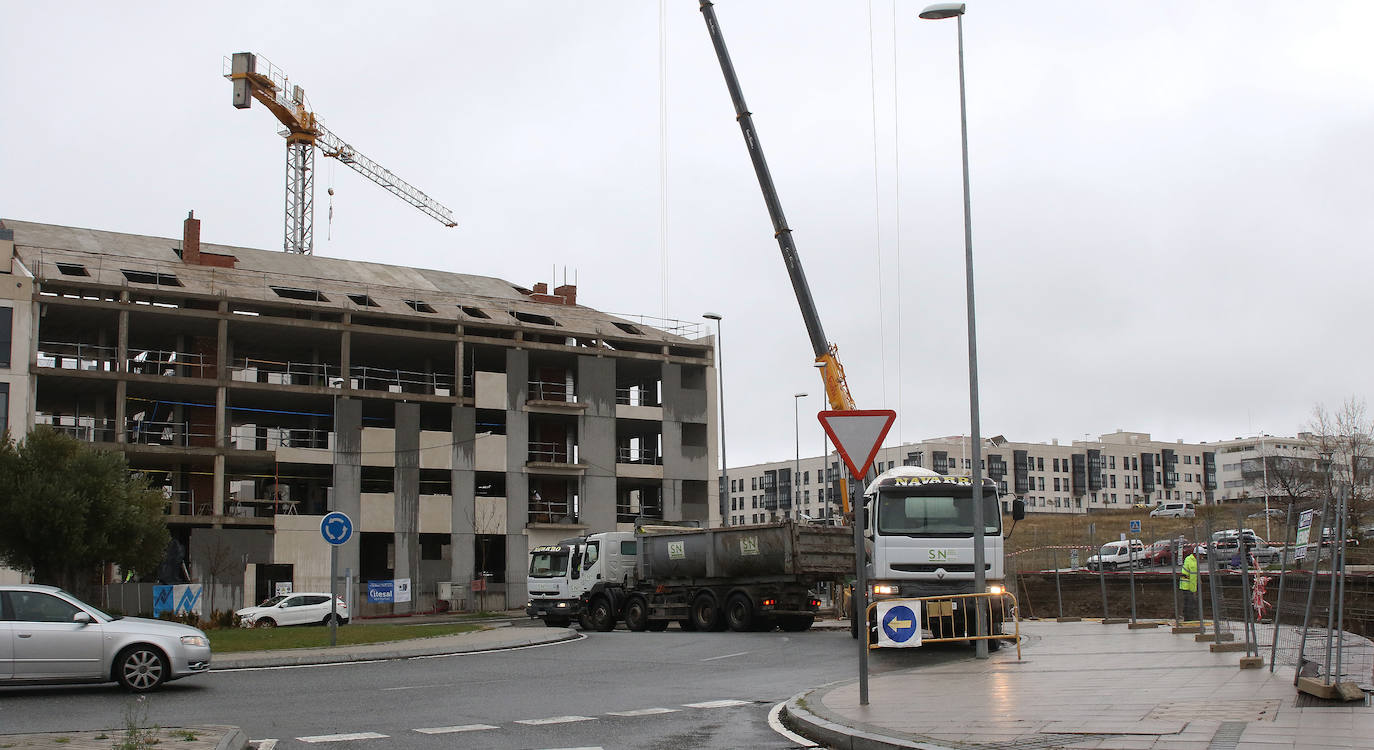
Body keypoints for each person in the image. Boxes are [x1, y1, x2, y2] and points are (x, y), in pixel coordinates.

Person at [1179, 544, 1199, 623]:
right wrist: (1194, 590)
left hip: (1185, 585)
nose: (1202, 558)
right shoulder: (1193, 563)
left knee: (1187, 602)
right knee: (1190, 603)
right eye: (1201, 555)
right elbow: (1193, 578)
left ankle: (1188, 618)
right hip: (1188, 586)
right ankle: (1189, 619)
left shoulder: (1189, 559)